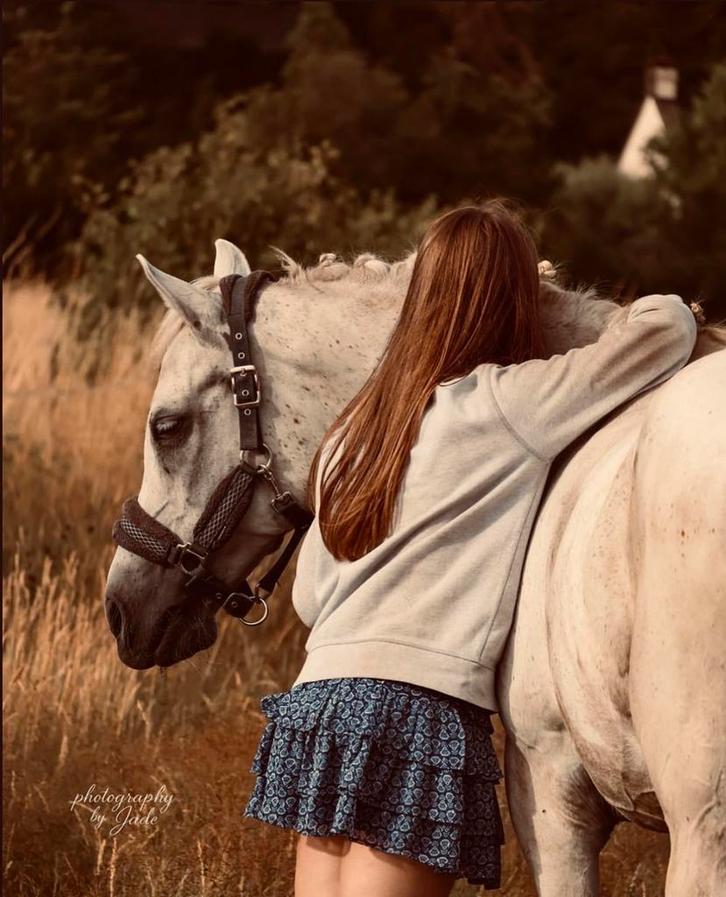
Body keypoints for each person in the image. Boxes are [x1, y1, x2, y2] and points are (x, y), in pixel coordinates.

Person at [243, 199, 698, 896]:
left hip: (322, 703)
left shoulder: (354, 431)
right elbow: (667, 324)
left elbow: (309, 595)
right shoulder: (504, 406)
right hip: (413, 709)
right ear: (509, 301)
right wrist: (553, 308)